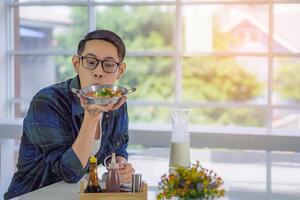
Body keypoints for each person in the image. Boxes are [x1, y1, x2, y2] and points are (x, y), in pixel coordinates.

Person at [4, 30, 135, 199]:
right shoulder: (47, 102)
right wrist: (91, 118)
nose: (98, 72)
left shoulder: (116, 102)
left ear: (120, 70)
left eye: (109, 64)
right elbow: (69, 173)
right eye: (90, 62)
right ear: (76, 64)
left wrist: (118, 165)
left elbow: (117, 149)